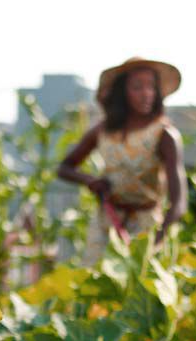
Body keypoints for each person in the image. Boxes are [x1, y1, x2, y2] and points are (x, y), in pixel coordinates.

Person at [57, 57, 188, 264]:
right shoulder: (103, 131)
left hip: (145, 227)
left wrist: (155, 242)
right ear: (122, 93)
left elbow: (178, 204)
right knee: (94, 283)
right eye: (137, 87)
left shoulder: (164, 135)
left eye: (151, 87)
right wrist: (90, 181)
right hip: (107, 222)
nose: (146, 94)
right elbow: (64, 168)